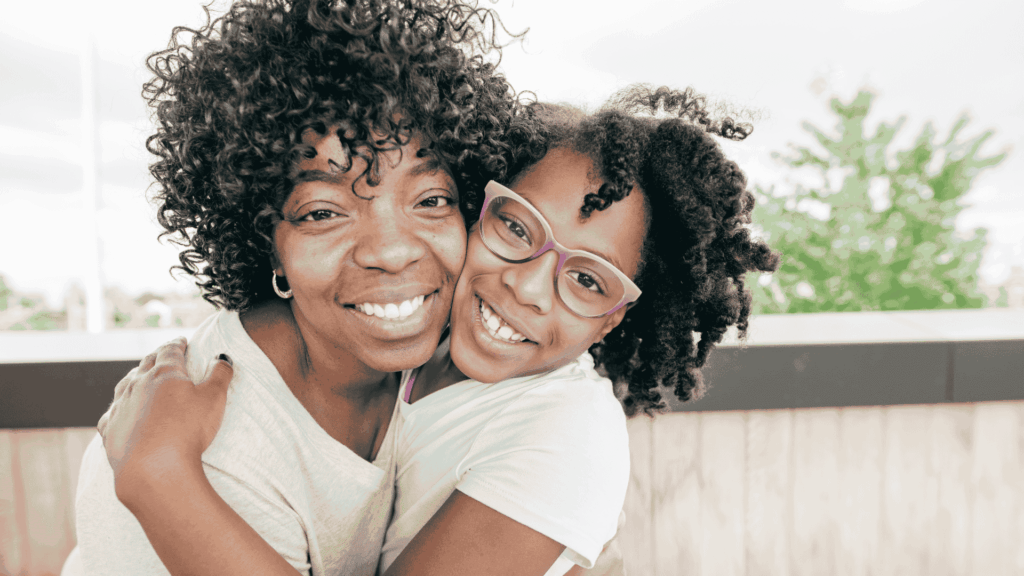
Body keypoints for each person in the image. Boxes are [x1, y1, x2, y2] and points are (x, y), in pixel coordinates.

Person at [94, 88, 779, 576]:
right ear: (478, 206)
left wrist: (160, 477)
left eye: (588, 280)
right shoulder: (412, 349)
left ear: (617, 315)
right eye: (516, 227)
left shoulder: (567, 436)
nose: (527, 286)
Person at [65, 0, 520, 574]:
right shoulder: (218, 453)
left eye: (431, 200)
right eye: (323, 212)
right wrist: (159, 473)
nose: (392, 250)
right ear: (266, 243)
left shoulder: (455, 362)